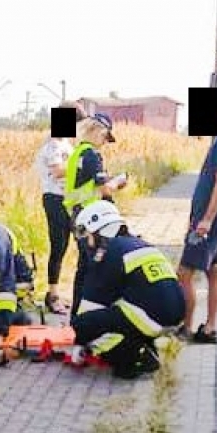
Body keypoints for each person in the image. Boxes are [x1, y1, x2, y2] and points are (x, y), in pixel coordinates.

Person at [70, 200, 185, 379]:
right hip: (174, 318)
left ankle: (134, 357)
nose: (88, 243)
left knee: (85, 325)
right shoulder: (140, 244)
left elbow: (90, 308)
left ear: (99, 230)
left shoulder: (108, 252)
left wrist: (79, 341)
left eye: (88, 236)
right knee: (118, 313)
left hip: (149, 318)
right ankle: (151, 343)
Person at [176, 125, 217, 344]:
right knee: (214, 270)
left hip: (208, 222)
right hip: (214, 220)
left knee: (184, 272)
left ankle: (186, 327)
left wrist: (206, 219)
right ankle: (209, 328)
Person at [63, 112, 128, 315]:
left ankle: (77, 312)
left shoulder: (77, 153)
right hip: (90, 218)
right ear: (96, 130)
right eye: (104, 137)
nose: (104, 142)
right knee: (94, 265)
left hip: (77, 214)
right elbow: (105, 188)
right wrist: (120, 181)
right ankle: (88, 313)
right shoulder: (92, 154)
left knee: (84, 266)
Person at [34, 101, 86, 314]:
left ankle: (65, 293)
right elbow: (57, 172)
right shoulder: (53, 146)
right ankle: (52, 294)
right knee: (59, 245)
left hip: (68, 199)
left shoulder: (65, 144)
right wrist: (82, 165)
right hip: (55, 199)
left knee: (74, 245)